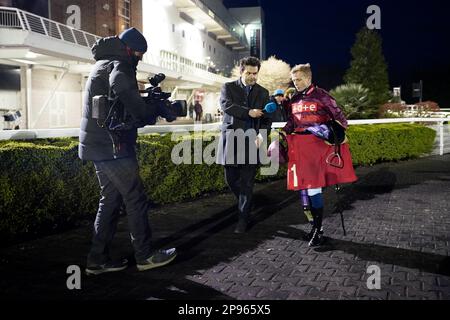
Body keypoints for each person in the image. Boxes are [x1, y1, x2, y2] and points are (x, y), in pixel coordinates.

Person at [79, 27, 177, 275]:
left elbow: (116, 99)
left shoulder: (103, 63)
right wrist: (148, 112)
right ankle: (145, 256)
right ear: (129, 50)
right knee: (135, 198)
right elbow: (121, 89)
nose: (140, 58)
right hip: (114, 146)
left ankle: (97, 259)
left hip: (99, 145)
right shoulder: (119, 65)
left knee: (110, 200)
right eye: (139, 53)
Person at [281, 64, 357, 247]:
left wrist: (330, 132)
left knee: (313, 188)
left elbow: (341, 120)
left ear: (308, 78)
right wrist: (283, 132)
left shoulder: (322, 95)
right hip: (299, 148)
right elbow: (292, 121)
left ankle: (318, 230)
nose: (296, 83)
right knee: (303, 189)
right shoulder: (295, 98)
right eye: (293, 80)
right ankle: (315, 228)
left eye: (299, 79)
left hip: (316, 148)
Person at [216, 56, 272, 233]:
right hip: (232, 139)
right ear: (241, 71)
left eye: (255, 74)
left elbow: (267, 120)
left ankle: (243, 218)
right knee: (231, 180)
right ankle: (245, 201)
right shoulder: (228, 87)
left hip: (253, 142)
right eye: (249, 73)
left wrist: (262, 136)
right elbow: (226, 106)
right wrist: (249, 112)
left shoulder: (263, 93)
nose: (252, 77)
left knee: (247, 183)